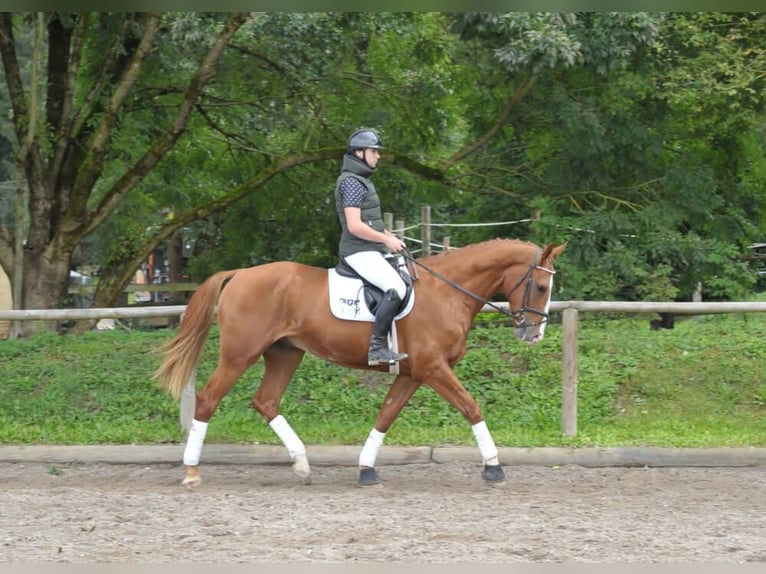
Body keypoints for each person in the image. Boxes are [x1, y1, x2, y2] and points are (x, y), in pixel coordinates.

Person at [335, 128, 408, 366]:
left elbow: (371, 222)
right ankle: (377, 348)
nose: (377, 156)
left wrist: (389, 235)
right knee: (396, 287)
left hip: (369, 247)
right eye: (374, 151)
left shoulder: (362, 181)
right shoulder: (352, 183)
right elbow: (355, 226)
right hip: (357, 250)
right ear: (359, 152)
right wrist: (385, 240)